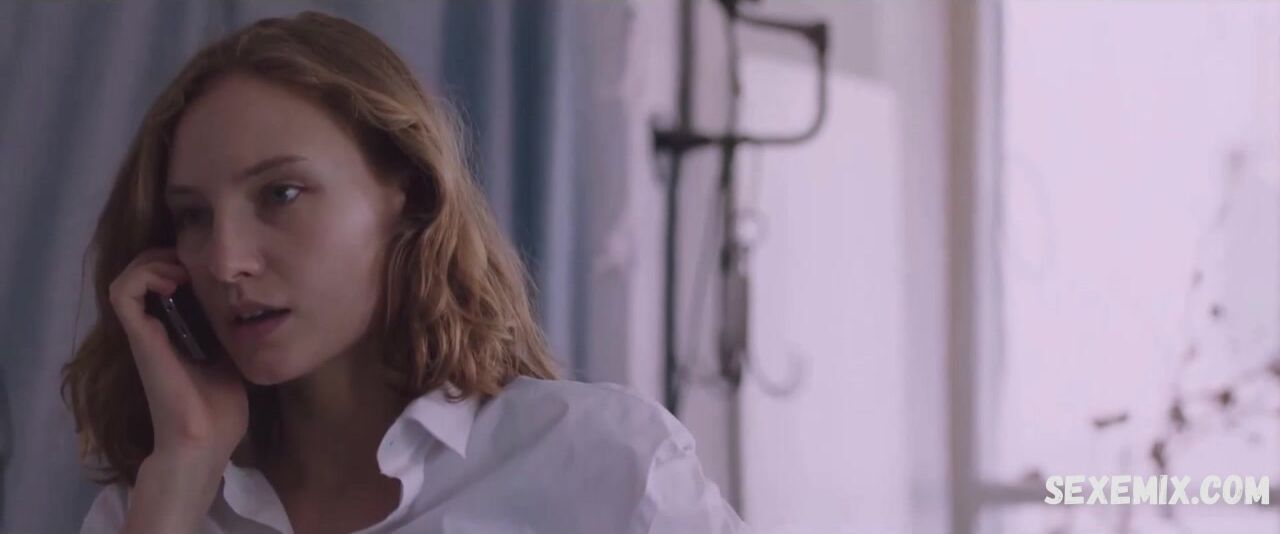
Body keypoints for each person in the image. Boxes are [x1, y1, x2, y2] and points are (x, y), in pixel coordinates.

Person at [60, 10, 745, 534]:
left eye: (281, 194)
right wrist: (184, 465)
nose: (225, 260)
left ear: (408, 192)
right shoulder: (154, 506)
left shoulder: (603, 462)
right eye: (193, 216)